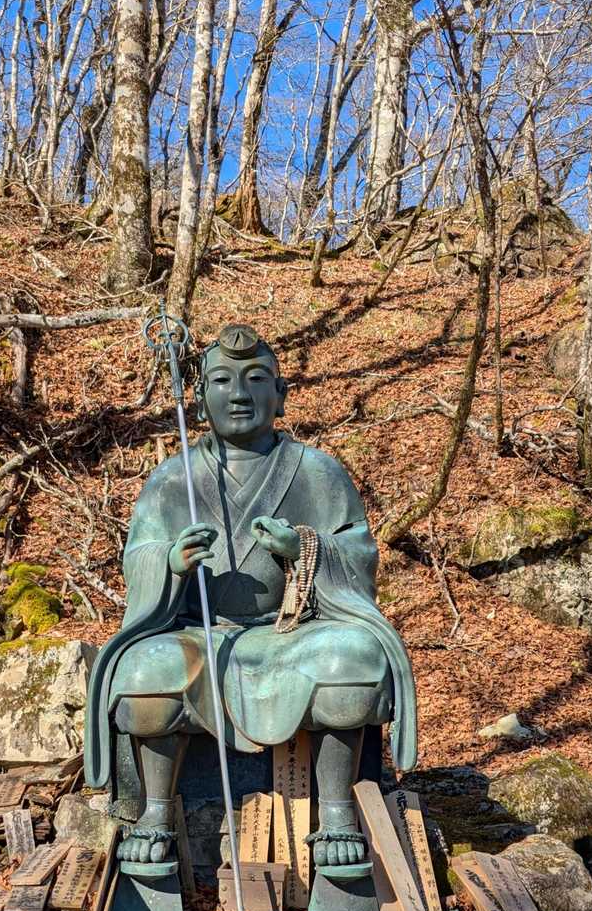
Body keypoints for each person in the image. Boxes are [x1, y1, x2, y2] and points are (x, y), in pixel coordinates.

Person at [83, 323, 417, 868]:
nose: (239, 394)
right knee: (144, 671)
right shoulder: (173, 479)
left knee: (353, 659)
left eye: (256, 379)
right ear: (200, 397)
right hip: (200, 634)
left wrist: (302, 547)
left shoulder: (318, 472)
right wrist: (169, 562)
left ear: (280, 394)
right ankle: (156, 813)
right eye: (222, 381)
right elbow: (138, 556)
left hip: (295, 632)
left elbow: (357, 554)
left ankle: (337, 815)